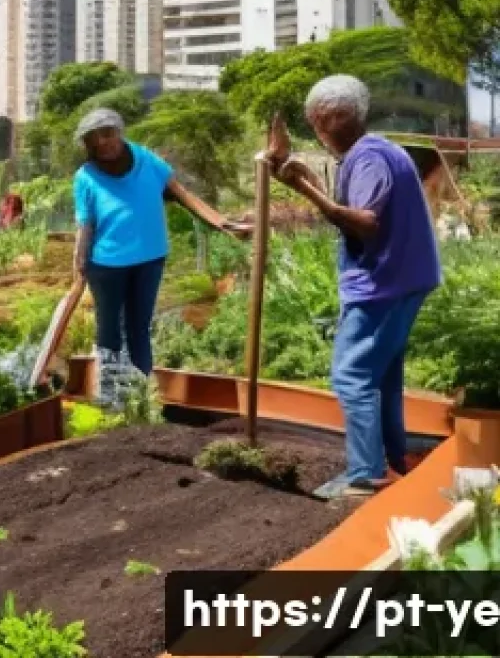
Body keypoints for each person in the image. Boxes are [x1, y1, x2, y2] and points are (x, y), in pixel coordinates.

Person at [271, 75, 441, 498]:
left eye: (315, 121)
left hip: (384, 284)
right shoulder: (377, 152)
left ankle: (367, 475)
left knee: (351, 375)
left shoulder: (368, 159)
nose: (316, 129)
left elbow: (365, 223)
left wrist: (305, 188)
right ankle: (392, 461)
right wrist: (310, 180)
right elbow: (357, 210)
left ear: (333, 117)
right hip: (401, 279)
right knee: (381, 377)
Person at [72, 108, 251, 408]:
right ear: (88, 144)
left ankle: (143, 398)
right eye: (95, 138)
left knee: (139, 327)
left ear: (119, 131)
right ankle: (110, 401)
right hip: (107, 265)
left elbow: (182, 194)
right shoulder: (86, 177)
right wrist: (78, 266)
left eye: (108, 133)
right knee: (109, 331)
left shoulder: (146, 160)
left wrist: (221, 222)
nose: (104, 142)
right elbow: (85, 225)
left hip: (149, 259)